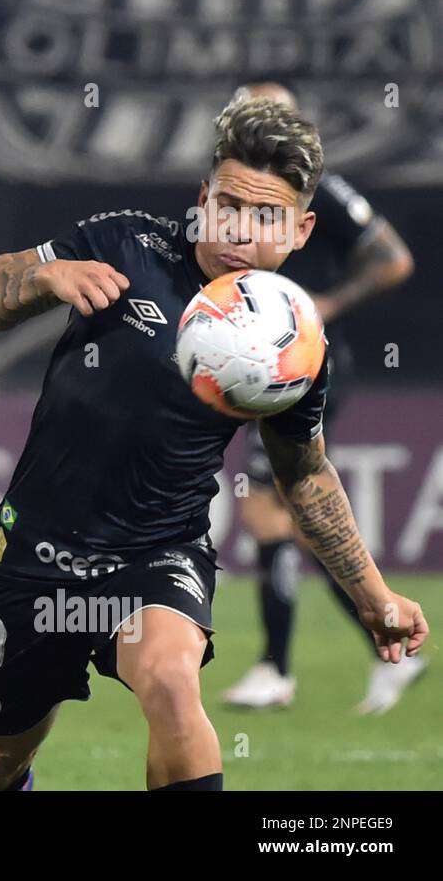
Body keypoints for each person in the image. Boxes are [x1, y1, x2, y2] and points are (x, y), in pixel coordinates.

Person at [0, 96, 428, 791]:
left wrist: (372, 592)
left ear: (301, 230)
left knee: (173, 687)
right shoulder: (126, 243)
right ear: (203, 197)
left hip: (158, 550)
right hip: (36, 555)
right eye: (228, 203)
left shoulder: (291, 341)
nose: (240, 228)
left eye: (267, 216)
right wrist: (42, 278)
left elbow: (306, 475)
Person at [220, 83, 423, 714]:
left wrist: (326, 305)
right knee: (290, 523)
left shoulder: (317, 190)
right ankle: (388, 642)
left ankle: (276, 669)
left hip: (299, 363)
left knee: (266, 509)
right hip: (257, 362)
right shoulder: (237, 191)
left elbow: (393, 259)